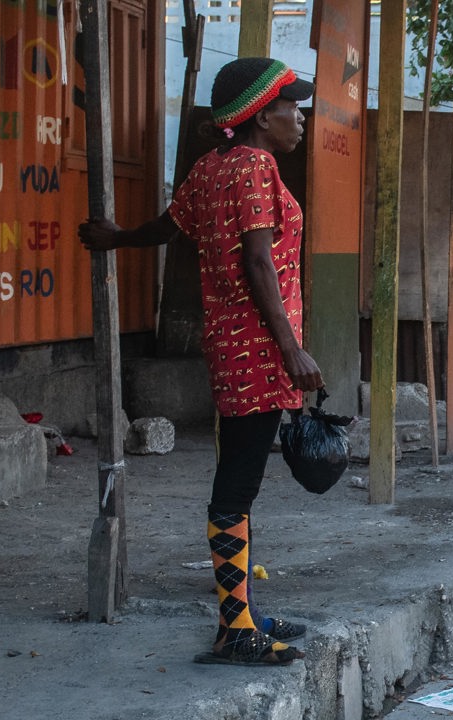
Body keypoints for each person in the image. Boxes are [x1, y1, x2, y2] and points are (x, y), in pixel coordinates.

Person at [79, 58, 319, 666]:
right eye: (292, 107)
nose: (300, 118)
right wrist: (291, 348)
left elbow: (167, 227)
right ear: (262, 116)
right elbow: (258, 262)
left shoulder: (210, 167)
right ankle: (235, 629)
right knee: (237, 485)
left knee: (239, 479)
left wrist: (117, 237)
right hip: (258, 348)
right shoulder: (256, 166)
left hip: (231, 343)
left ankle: (244, 613)